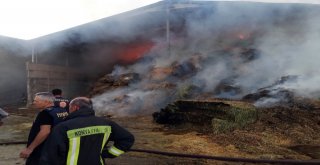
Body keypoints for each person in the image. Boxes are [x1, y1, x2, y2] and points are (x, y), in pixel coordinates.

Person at [40, 97, 134, 165]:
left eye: (70, 108)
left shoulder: (63, 127)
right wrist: (108, 153)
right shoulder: (107, 123)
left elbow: (50, 156)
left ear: (75, 108)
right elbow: (127, 139)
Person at [20, 92, 68, 165]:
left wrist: (30, 148)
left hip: (42, 149)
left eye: (36, 101)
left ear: (46, 102)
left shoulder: (45, 113)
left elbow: (45, 132)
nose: (34, 103)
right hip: (56, 146)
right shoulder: (61, 110)